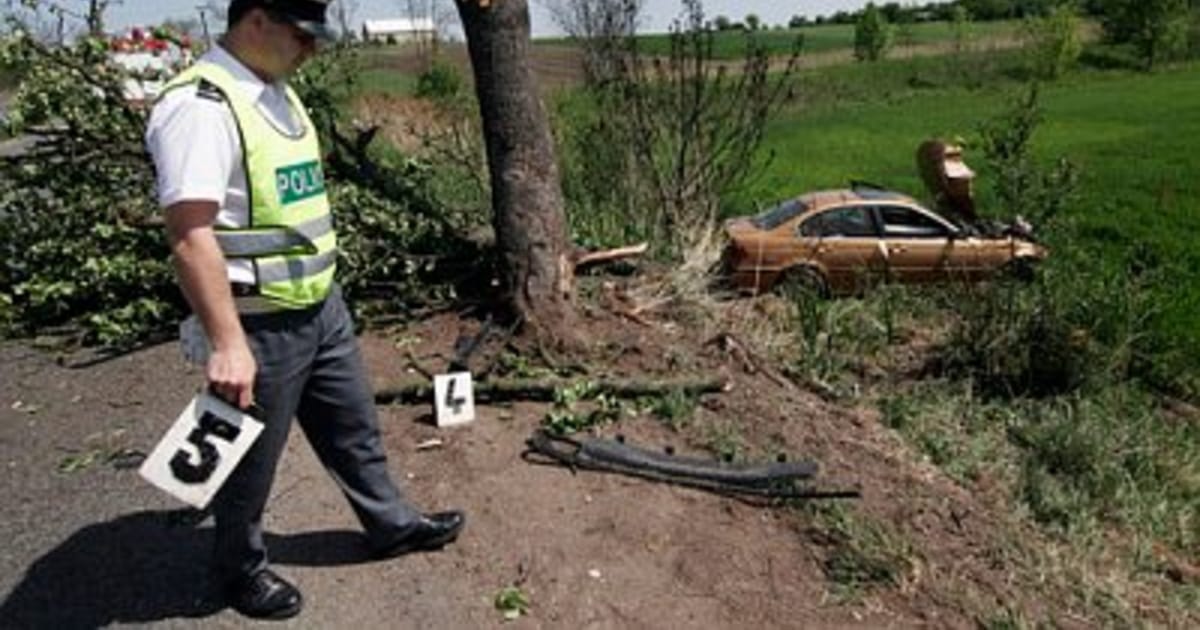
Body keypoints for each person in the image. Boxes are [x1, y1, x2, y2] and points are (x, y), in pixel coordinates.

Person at [144, 0, 464, 620]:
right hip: (259, 324)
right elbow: (189, 237)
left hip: (321, 308)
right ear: (256, 20)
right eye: (301, 35)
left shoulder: (276, 91)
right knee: (249, 462)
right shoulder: (201, 108)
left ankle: (391, 524)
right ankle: (239, 571)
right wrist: (228, 344)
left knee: (355, 431)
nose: (311, 49)